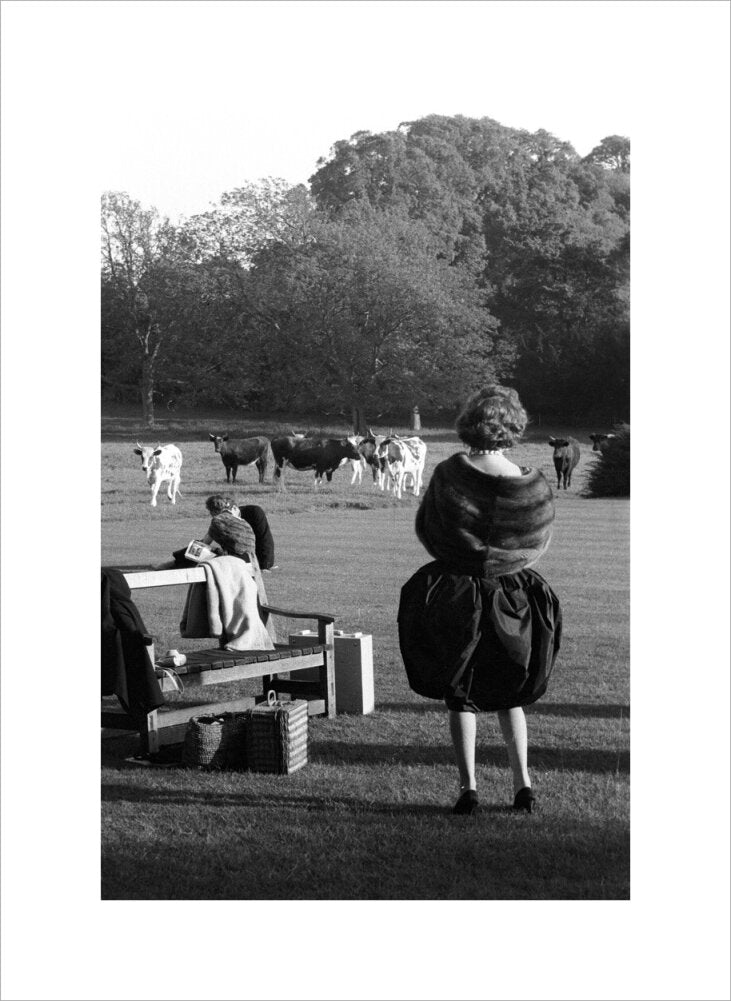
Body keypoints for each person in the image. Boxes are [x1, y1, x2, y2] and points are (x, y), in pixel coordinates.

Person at [397, 385, 562, 815]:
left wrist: (464, 556)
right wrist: (505, 562)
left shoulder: (452, 473)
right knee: (511, 692)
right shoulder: (534, 483)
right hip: (515, 594)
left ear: (470, 423)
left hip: (456, 593)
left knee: (461, 693)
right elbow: (537, 541)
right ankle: (523, 786)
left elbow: (428, 529)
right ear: (514, 427)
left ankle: (468, 788)